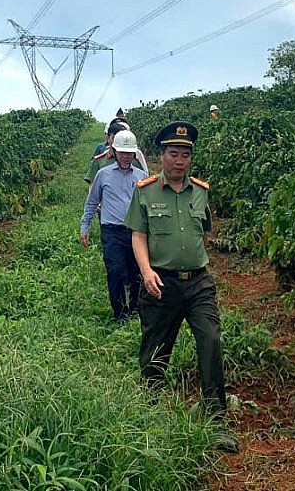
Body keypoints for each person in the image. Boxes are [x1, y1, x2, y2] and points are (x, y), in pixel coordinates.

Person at [123, 121, 238, 452]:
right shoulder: (145, 191)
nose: (179, 161)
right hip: (160, 283)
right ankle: (149, 415)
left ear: (191, 158)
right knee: (156, 350)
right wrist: (146, 271)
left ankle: (216, 421)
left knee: (211, 341)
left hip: (198, 282)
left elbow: (205, 231)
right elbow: (138, 235)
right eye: (173, 154)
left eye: (185, 155)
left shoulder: (201, 191)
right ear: (161, 156)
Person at [80, 129, 147, 323]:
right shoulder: (103, 174)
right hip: (112, 231)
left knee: (136, 272)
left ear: (134, 154)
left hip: (135, 232)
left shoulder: (142, 176)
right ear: (114, 151)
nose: (126, 157)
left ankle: (135, 309)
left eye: (129, 153)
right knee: (116, 271)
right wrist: (85, 225)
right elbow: (92, 201)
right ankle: (120, 313)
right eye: (122, 153)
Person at [86, 119, 147, 184]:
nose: (125, 156)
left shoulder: (135, 161)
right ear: (107, 137)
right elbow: (93, 188)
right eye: (114, 138)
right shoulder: (100, 162)